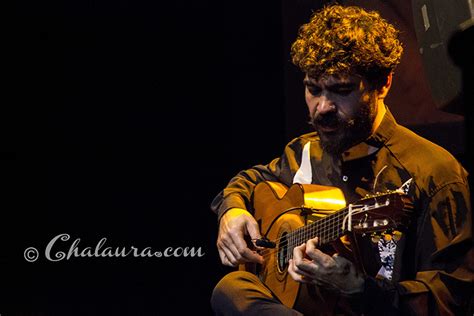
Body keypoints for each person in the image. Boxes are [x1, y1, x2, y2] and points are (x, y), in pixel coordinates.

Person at [210, 4, 473, 316]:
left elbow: (451, 298)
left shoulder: (435, 172)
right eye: (313, 89)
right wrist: (232, 209)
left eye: (341, 90)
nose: (322, 107)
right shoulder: (303, 152)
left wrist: (360, 289)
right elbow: (250, 181)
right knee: (231, 288)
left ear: (383, 84)